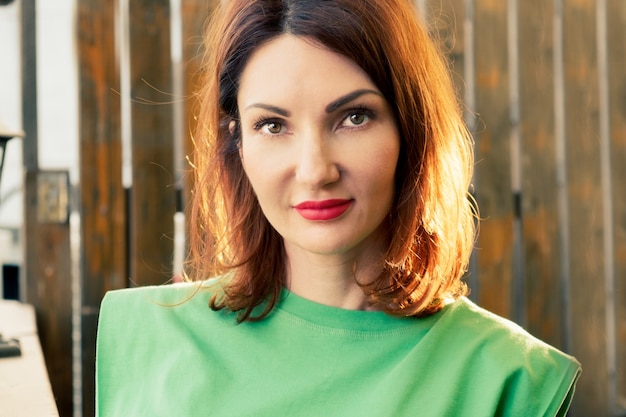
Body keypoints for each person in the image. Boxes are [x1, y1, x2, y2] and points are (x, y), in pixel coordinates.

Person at [96, 0, 581, 415]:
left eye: (353, 117)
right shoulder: (147, 339)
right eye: (272, 125)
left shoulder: (507, 378)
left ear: (409, 130)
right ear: (237, 143)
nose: (315, 170)